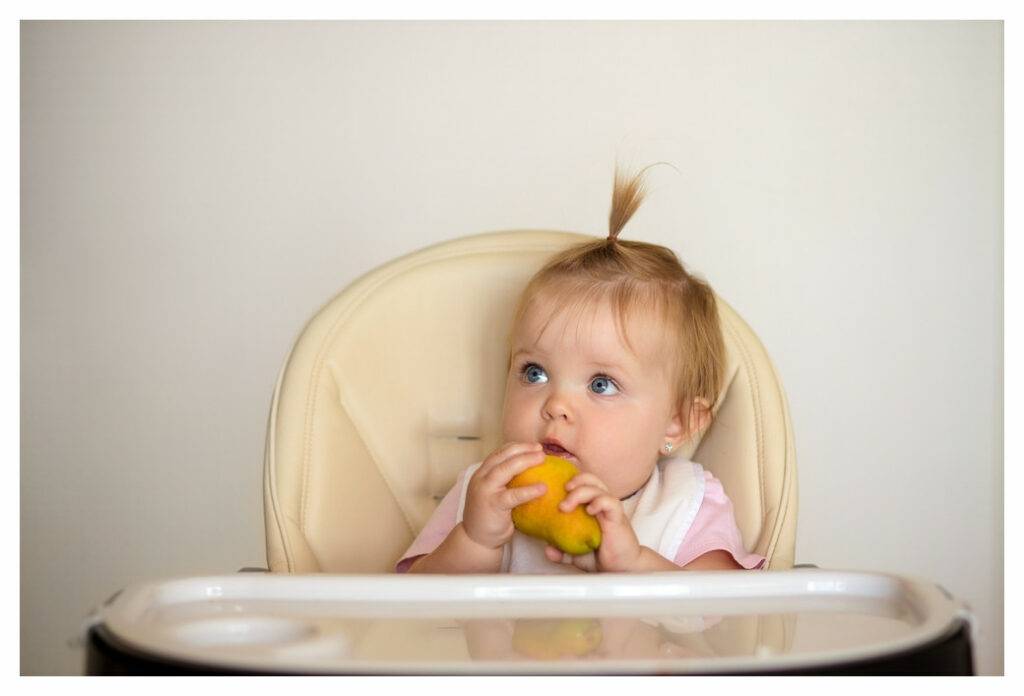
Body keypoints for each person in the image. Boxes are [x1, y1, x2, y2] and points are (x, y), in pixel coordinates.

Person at [397, 163, 765, 574]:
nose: (556, 405)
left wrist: (633, 564)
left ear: (677, 423)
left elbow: (728, 620)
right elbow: (411, 613)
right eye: (533, 372)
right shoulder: (485, 495)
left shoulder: (685, 504)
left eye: (602, 384)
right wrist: (474, 540)